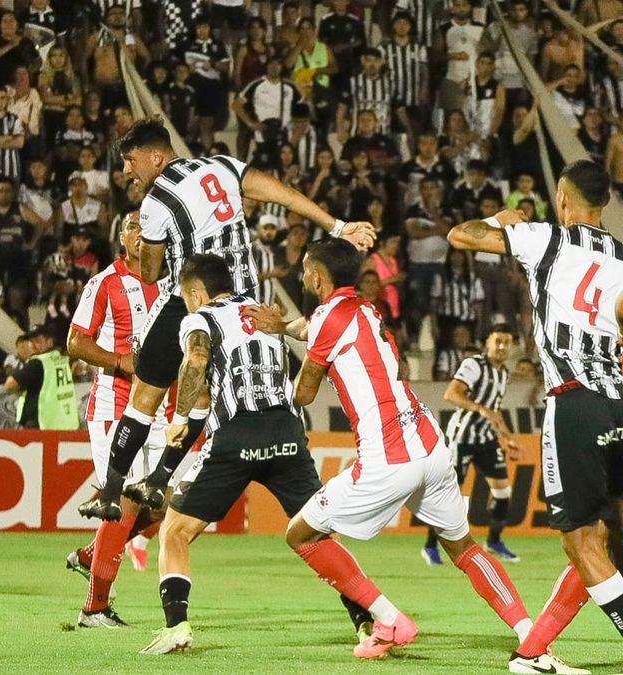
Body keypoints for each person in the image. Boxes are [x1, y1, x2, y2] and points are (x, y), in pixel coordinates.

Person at [246, 238, 538, 663]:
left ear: (315, 276)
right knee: (465, 547)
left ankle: (388, 619)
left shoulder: (328, 317)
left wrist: (279, 365)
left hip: (387, 457)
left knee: (301, 534)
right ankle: (530, 632)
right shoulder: (365, 308)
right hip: (429, 444)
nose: (304, 276)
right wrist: (285, 327)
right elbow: (317, 327)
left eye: (306, 270)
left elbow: (305, 393)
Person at [79, 117, 374, 522]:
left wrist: (157, 254)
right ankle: (160, 480)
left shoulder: (155, 202)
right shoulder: (223, 166)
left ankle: (110, 492)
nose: (126, 171)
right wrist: (338, 226)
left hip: (189, 301)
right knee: (203, 396)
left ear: (156, 156)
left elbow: (148, 273)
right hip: (243, 302)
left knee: (144, 398)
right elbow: (284, 194)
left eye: (131, 161)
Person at [141, 253, 370, 654]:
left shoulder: (199, 318)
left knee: (175, 531)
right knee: (317, 534)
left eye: (186, 296)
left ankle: (176, 627)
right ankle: (366, 618)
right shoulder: (263, 311)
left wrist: (178, 417)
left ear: (196, 293)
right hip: (285, 431)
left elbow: (196, 358)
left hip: (235, 435)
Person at [448, 160, 623, 673]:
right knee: (600, 539)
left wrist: (508, 220)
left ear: (564, 201)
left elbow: (462, 236)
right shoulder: (620, 255)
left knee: (581, 540)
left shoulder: (546, 238)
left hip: (574, 403)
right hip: (618, 400)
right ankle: (531, 652)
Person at [64, 211, 169, 628]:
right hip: (114, 408)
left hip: (159, 411)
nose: (141, 235)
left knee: (167, 504)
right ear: (122, 238)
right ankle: (94, 608)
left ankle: (92, 555)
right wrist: (119, 361)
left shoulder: (171, 283)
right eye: (132, 228)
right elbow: (76, 342)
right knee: (124, 502)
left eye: (148, 228)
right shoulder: (105, 283)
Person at [421, 324, 521, 566]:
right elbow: (452, 394)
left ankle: (494, 541)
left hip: (486, 439)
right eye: (497, 341)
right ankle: (430, 546)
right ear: (487, 342)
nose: (501, 347)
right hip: (461, 438)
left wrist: (507, 437)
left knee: (503, 492)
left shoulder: (504, 373)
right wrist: (480, 409)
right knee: (449, 495)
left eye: (506, 342)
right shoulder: (473, 365)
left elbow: (494, 410)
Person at [4, 325, 77, 431]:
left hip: (41, 424)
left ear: (50, 342)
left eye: (38, 341)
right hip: (64, 423)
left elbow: (9, 385)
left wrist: (24, 360)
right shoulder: (62, 359)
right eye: (31, 341)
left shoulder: (38, 363)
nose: (33, 345)